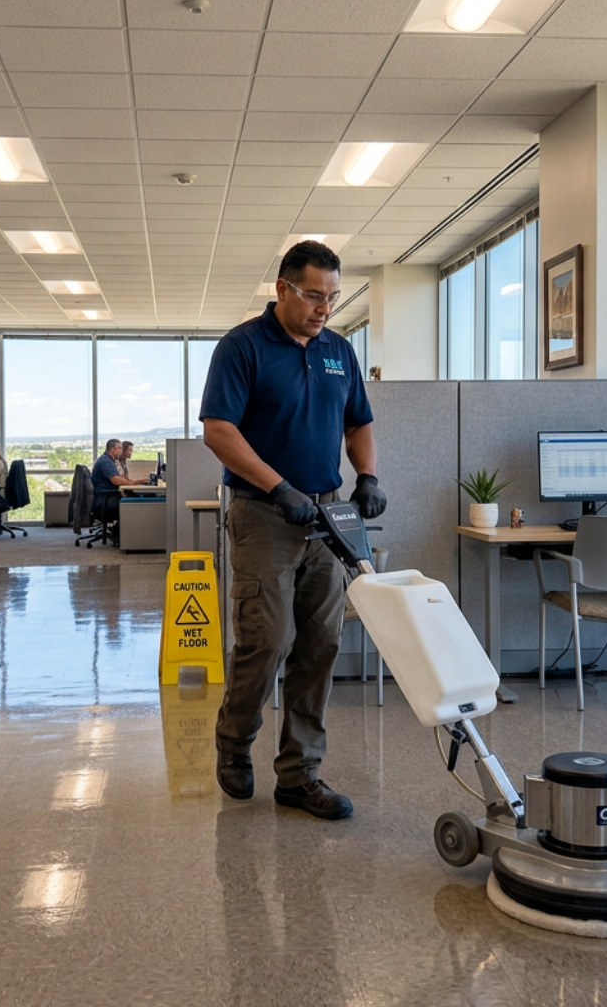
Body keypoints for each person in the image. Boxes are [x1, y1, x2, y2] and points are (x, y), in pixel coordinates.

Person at [200, 240, 387, 821]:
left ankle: (300, 773)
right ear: (282, 289)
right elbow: (218, 430)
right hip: (263, 513)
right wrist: (278, 486)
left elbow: (358, 421)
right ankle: (234, 743)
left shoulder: (339, 350)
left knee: (321, 643)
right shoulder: (243, 346)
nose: (323, 308)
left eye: (332, 298)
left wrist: (368, 475)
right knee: (267, 638)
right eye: (313, 296)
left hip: (329, 516)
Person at [90, 438, 134, 534]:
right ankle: (117, 535)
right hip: (104, 500)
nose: (121, 452)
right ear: (114, 449)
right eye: (120, 449)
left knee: (131, 500)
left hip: (107, 497)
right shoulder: (105, 462)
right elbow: (116, 480)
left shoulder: (109, 460)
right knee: (132, 506)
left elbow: (119, 477)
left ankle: (118, 534)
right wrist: (133, 483)